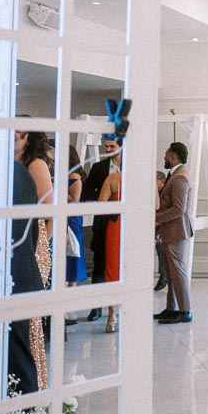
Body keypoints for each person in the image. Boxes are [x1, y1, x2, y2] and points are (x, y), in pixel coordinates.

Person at [15, 129, 54, 390]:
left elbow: (49, 208)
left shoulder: (35, 164)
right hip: (20, 243)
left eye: (17, 135)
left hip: (33, 244)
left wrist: (42, 243)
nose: (13, 139)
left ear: (29, 138)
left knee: (30, 321)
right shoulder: (11, 163)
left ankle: (33, 382)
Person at [81, 136, 122, 320]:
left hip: (123, 224)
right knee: (99, 265)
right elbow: (87, 191)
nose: (107, 149)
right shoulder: (98, 168)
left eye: (111, 146)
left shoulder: (134, 168)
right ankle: (97, 307)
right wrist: (104, 193)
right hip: (102, 223)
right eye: (106, 146)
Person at [156, 141, 195, 323]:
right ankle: (172, 308)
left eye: (166, 154)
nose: (164, 157)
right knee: (173, 273)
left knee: (178, 273)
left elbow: (179, 209)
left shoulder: (180, 177)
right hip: (171, 231)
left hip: (176, 231)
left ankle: (184, 311)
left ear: (173, 156)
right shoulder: (177, 174)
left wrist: (156, 218)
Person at [96, 162, 123, 332]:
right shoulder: (146, 178)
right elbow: (155, 206)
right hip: (137, 227)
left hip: (116, 225)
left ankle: (112, 315)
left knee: (112, 269)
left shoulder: (114, 178)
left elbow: (101, 205)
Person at [65, 145, 88, 314]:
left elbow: (74, 199)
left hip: (72, 218)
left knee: (73, 252)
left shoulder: (74, 176)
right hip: (67, 217)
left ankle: (71, 291)